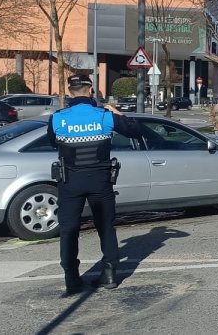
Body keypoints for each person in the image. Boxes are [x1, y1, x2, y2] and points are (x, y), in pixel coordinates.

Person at [49, 74, 143, 295]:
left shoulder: (58, 118)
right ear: (90, 90)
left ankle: (71, 277)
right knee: (105, 227)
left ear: (70, 91)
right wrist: (117, 112)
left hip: (70, 181)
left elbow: (52, 141)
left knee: (69, 229)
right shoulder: (104, 116)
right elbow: (135, 129)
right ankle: (109, 274)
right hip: (100, 180)